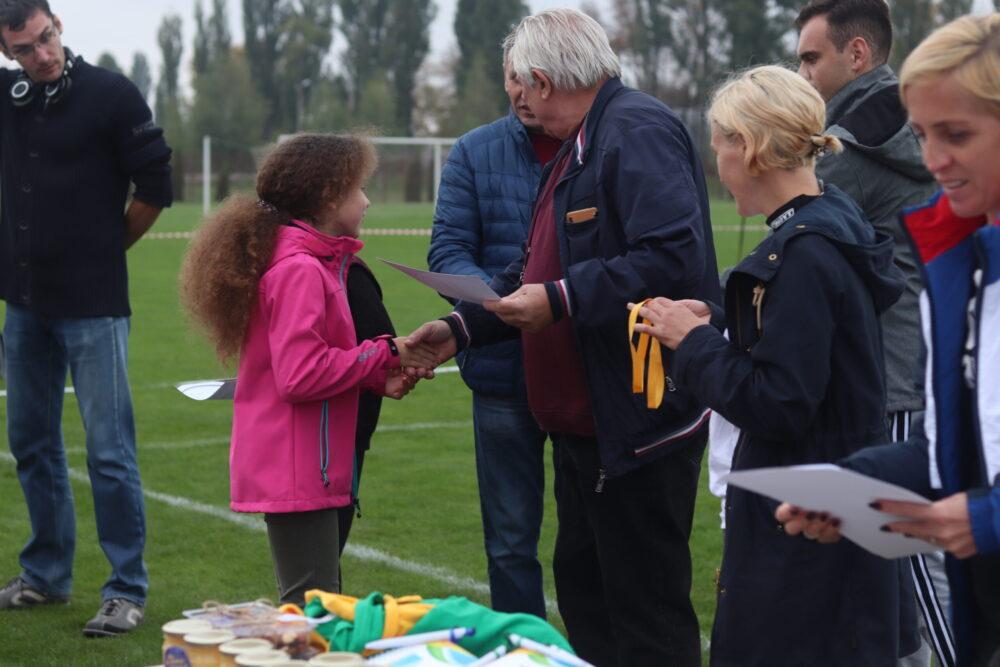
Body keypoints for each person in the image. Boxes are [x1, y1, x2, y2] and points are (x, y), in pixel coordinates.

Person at [410, 9, 721, 665]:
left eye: (520, 83)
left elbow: (671, 256)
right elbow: (533, 267)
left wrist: (561, 298)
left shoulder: (633, 130)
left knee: (644, 614)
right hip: (589, 426)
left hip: (635, 422)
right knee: (588, 599)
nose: (515, 96)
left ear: (544, 80)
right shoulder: (584, 139)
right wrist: (459, 329)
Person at [633, 65, 912, 665]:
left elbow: (780, 402)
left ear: (750, 147)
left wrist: (693, 344)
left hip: (808, 541)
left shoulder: (806, 253)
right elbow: (801, 345)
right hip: (827, 523)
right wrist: (719, 322)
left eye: (720, 147)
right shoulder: (829, 219)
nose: (717, 167)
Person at [777, 14, 1000, 666]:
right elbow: (953, 450)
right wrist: (848, 484)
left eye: (956, 134)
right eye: (924, 135)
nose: (932, 161)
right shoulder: (957, 263)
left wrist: (986, 519)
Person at [179, 133, 438, 607]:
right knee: (311, 614)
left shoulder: (310, 262)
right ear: (328, 197)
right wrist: (384, 353)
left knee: (315, 608)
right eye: (359, 188)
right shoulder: (300, 268)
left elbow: (312, 361)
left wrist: (377, 375)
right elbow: (300, 375)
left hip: (307, 463)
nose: (367, 201)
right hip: (299, 467)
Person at [0, 0, 172, 637]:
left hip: (94, 306)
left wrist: (106, 249)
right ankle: (45, 575)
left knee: (109, 452)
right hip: (23, 304)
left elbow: (157, 185)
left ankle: (125, 590)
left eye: (45, 38)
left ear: (59, 26)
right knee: (31, 443)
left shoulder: (111, 95)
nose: (41, 55)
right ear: (6, 52)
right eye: (23, 48)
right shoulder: (8, 99)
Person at [796, 2, 953, 662]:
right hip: (940, 361)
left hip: (894, 374)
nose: (801, 74)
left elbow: (804, 255)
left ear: (856, 54)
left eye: (810, 58)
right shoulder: (914, 122)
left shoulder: (844, 149)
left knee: (911, 556)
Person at [426, 51, 563, 618]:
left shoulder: (600, 147)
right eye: (513, 77)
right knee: (510, 543)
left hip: (583, 370)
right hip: (503, 374)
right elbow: (447, 249)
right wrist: (497, 305)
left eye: (534, 79)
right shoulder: (473, 151)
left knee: (593, 537)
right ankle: (519, 647)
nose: (521, 91)